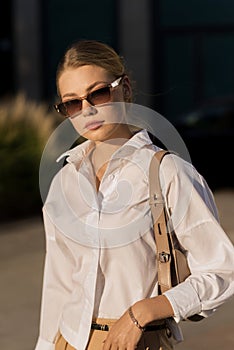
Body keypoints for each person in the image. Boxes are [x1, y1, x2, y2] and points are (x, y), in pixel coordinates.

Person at [35, 39, 234, 350]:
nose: (87, 110)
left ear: (124, 88)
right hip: (68, 341)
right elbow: (58, 283)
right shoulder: (64, 182)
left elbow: (223, 271)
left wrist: (145, 311)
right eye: (72, 103)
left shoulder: (168, 172)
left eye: (98, 94)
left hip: (137, 339)